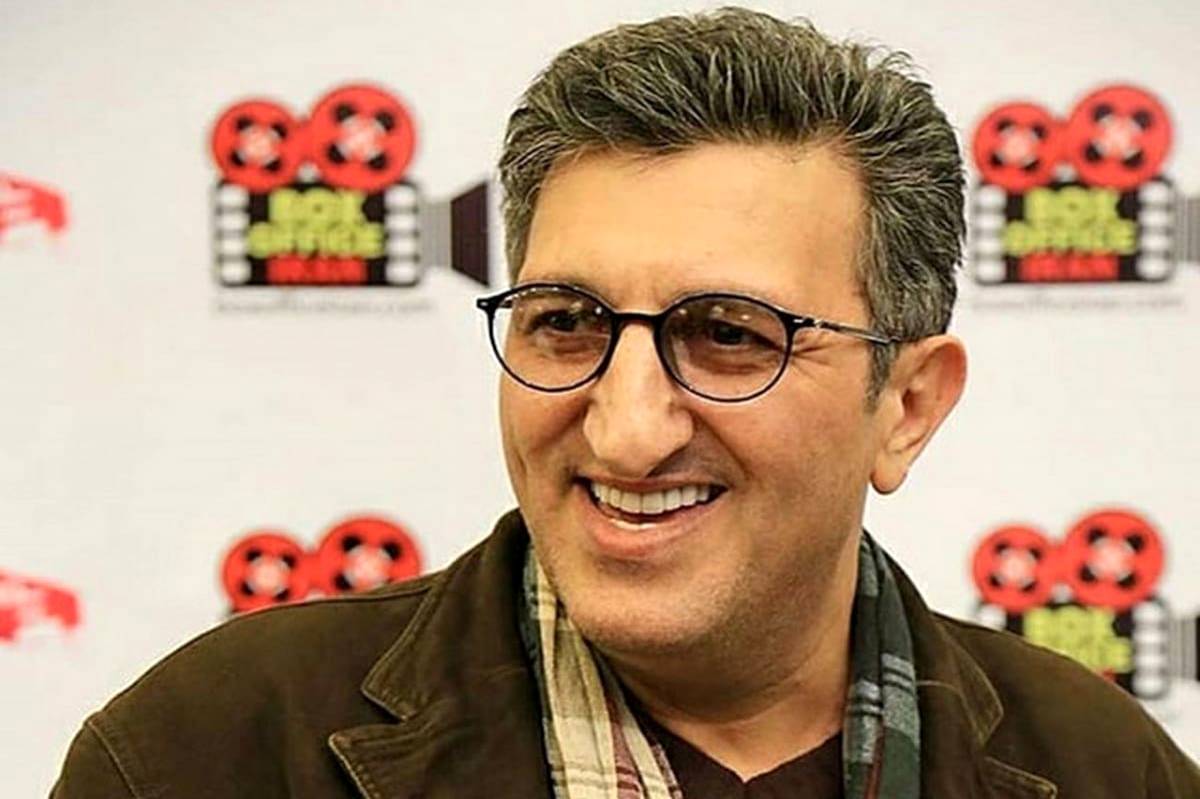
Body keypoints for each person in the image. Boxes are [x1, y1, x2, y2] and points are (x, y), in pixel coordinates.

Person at [52, 8, 1200, 798]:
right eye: (567, 321)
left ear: (905, 405)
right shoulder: (206, 754)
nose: (626, 427)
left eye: (729, 335)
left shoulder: (1107, 768)